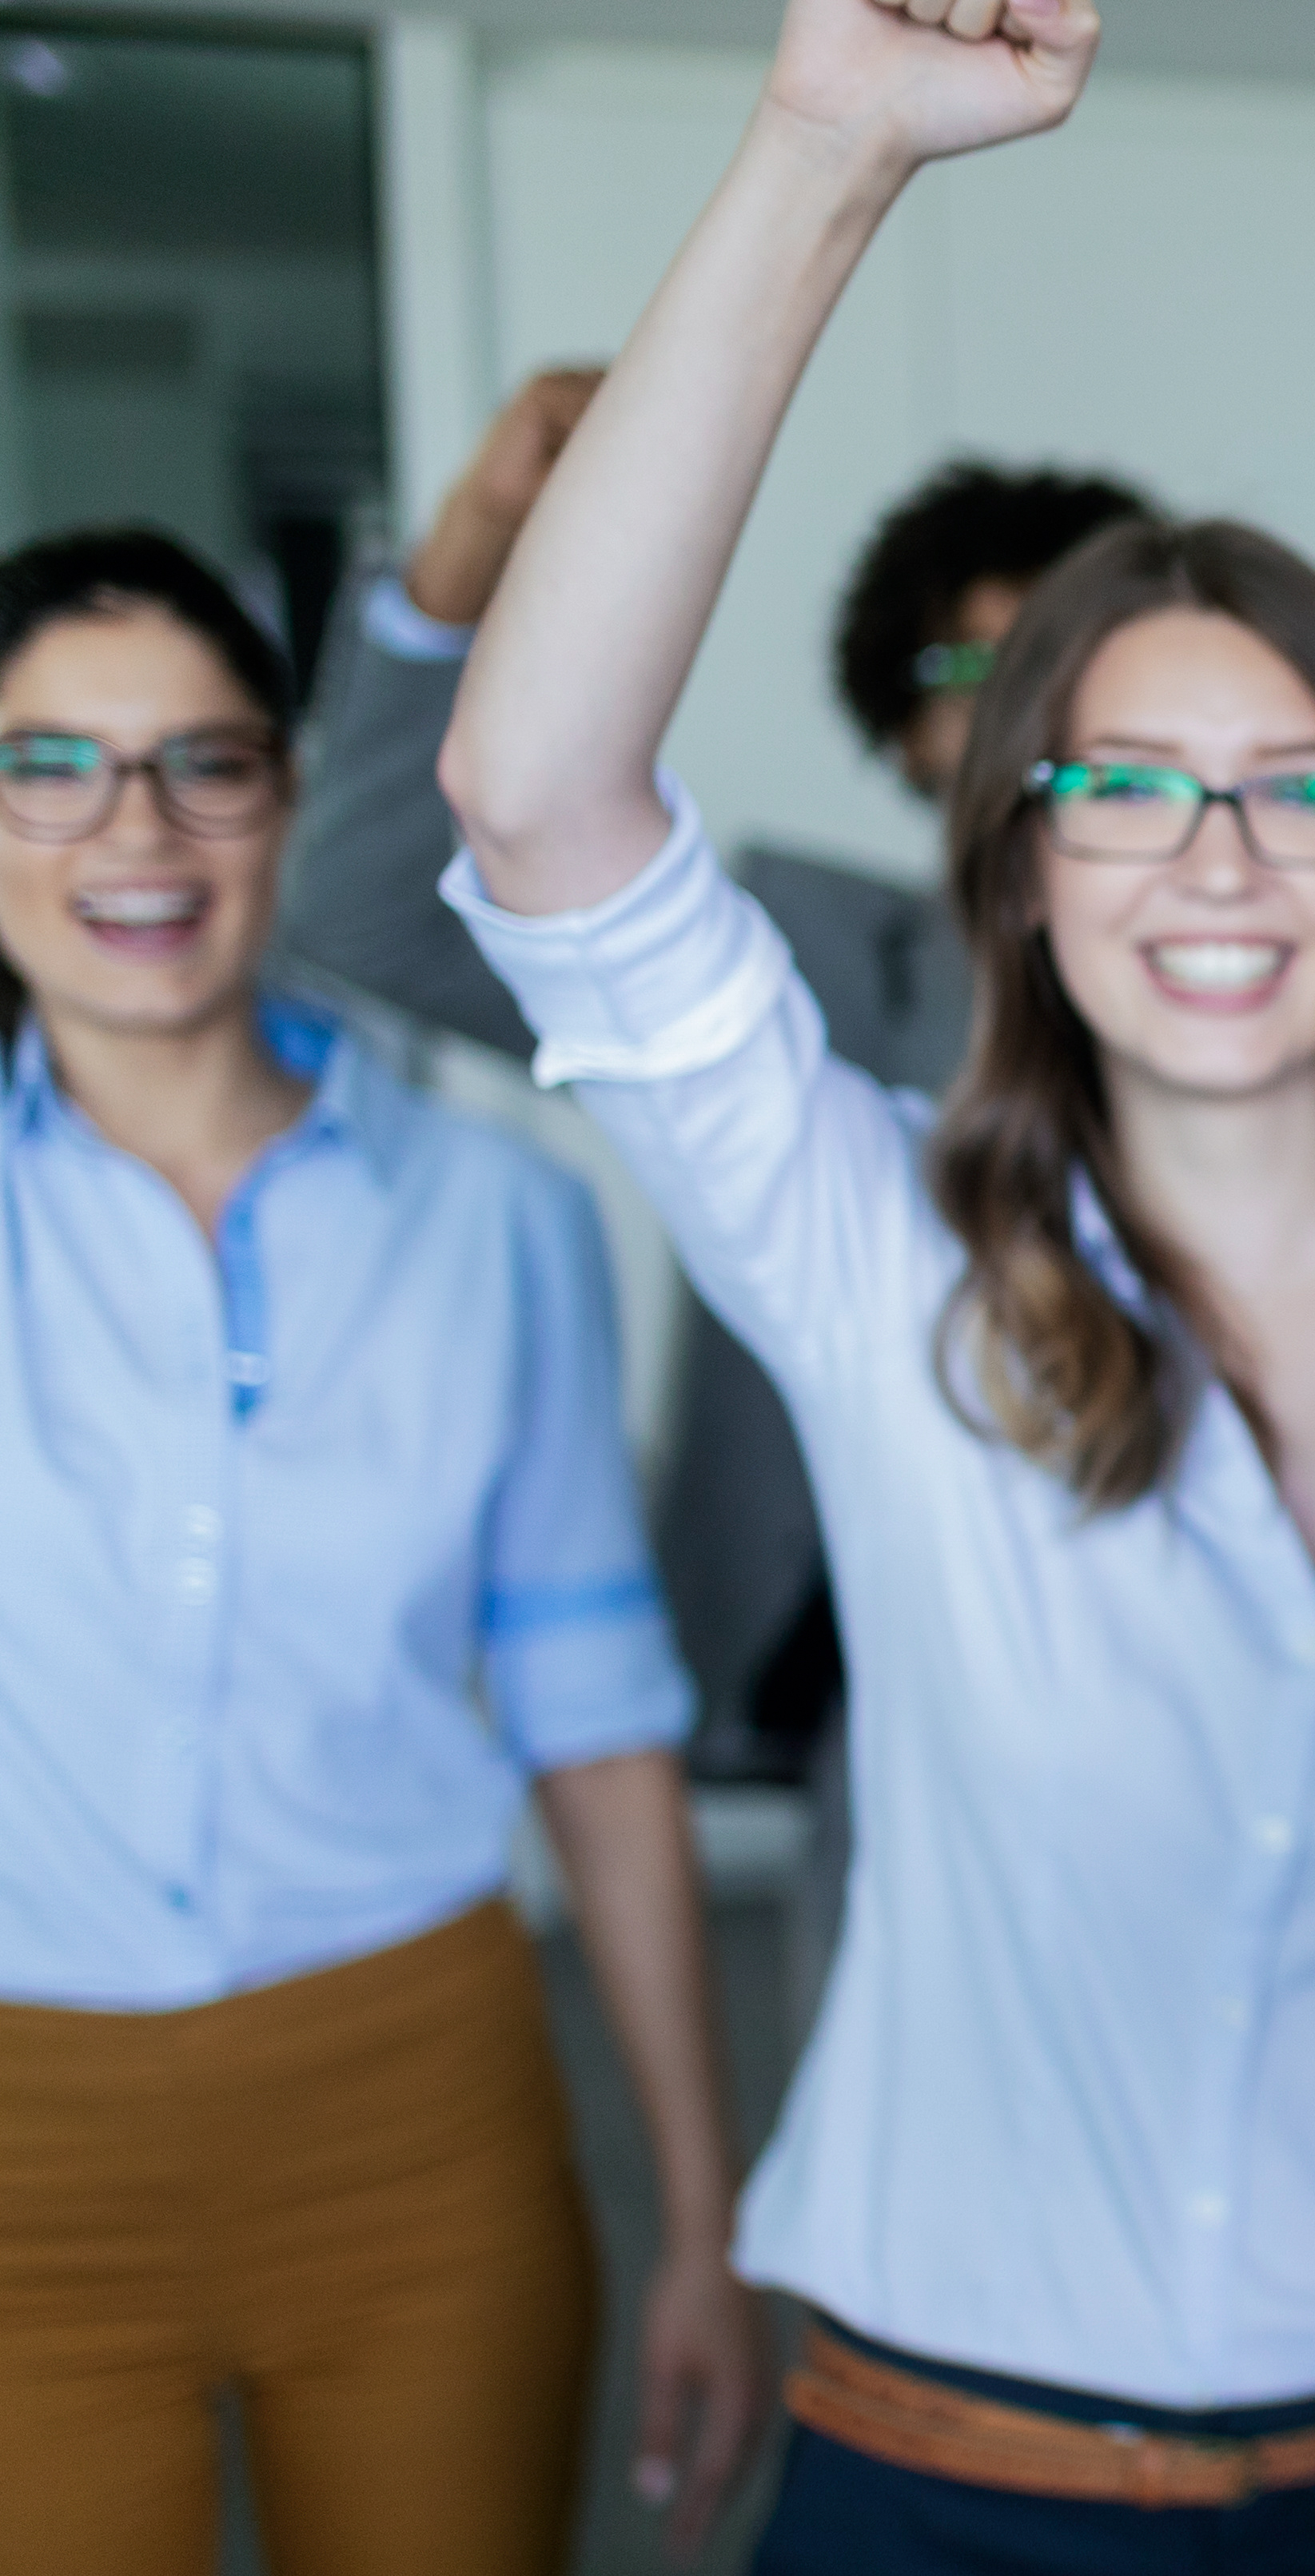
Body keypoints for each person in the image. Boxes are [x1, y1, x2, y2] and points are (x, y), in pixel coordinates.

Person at [432, 2, 1315, 2566]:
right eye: (1122, 790)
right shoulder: (876, 1245)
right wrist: (830, 145)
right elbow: (536, 794)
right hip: (943, 2485)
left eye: (1292, 793)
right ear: (1018, 867)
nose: (1215, 862)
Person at [0, 528, 762, 2570]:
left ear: (287, 797)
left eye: (202, 763)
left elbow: (597, 1729)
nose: (131, 831)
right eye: (48, 765)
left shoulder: (493, 1218)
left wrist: (700, 2210)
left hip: (416, 2106)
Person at [280, 370, 1156, 1778]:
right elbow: (366, 915)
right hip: (883, 1683)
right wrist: (475, 545)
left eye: (1075, 664)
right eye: (969, 669)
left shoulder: (1279, 965)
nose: (1025, 715)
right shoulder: (784, 958)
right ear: (899, 725)